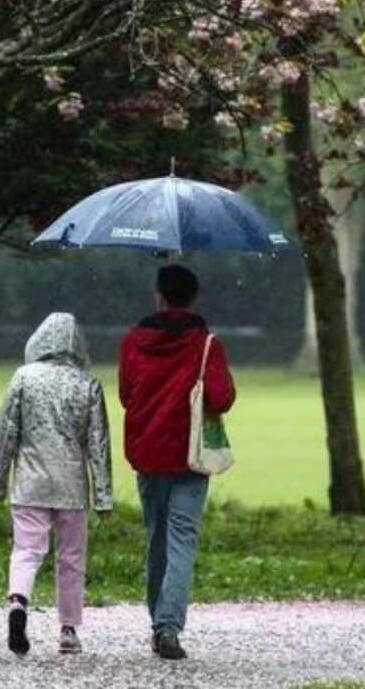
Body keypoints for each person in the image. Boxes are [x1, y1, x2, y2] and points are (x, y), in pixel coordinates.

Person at [118, 264, 236, 661]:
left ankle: (159, 621)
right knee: (182, 540)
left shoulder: (134, 340)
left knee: (157, 540)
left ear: (159, 296)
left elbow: (125, 394)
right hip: (190, 456)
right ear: (193, 298)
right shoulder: (206, 344)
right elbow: (221, 398)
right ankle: (168, 627)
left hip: (148, 453)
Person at [0, 312, 113, 656]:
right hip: (72, 487)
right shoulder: (88, 384)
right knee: (71, 558)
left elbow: (6, 434)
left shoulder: (23, 378)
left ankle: (17, 602)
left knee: (27, 550)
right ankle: (69, 629)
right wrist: (102, 496)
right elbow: (98, 444)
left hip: (30, 483)